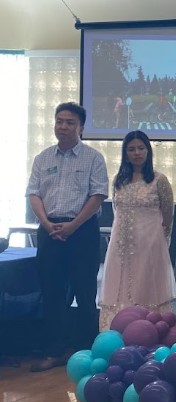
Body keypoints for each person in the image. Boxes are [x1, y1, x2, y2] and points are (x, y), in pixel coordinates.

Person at [26, 102, 109, 372]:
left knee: (85, 293)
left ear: (81, 127)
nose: (63, 126)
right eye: (59, 121)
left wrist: (73, 225)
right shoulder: (43, 158)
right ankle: (55, 351)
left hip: (82, 231)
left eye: (70, 122)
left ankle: (85, 351)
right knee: (52, 292)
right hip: (49, 230)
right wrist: (47, 224)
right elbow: (34, 194)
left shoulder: (93, 158)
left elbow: (98, 196)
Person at [99, 130, 176, 330]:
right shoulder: (119, 180)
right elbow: (117, 211)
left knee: (145, 287)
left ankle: (148, 330)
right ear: (125, 153)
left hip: (150, 244)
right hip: (120, 244)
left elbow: (168, 214)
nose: (136, 153)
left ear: (148, 151)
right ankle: (117, 329)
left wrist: (160, 241)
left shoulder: (159, 180)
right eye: (131, 149)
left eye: (141, 148)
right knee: (119, 284)